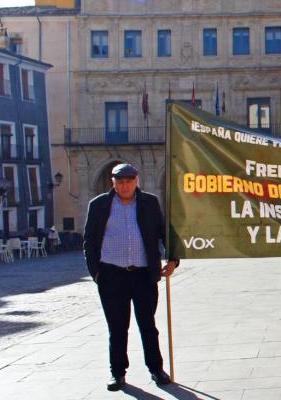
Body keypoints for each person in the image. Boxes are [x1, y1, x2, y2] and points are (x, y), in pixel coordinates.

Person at [83, 163, 177, 391]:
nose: (124, 186)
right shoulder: (98, 205)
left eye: (128, 181)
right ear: (112, 183)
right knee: (117, 327)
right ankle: (118, 373)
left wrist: (172, 259)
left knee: (148, 324)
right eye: (120, 182)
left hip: (143, 274)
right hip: (111, 275)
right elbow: (89, 241)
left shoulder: (150, 203)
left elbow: (165, 233)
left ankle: (156, 369)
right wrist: (96, 273)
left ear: (136, 181)